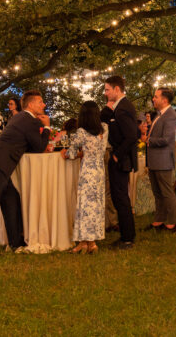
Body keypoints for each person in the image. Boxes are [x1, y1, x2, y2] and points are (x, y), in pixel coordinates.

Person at [0, 90, 51, 257]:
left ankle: (16, 241)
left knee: (11, 199)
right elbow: (39, 147)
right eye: (40, 102)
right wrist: (48, 126)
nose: (44, 105)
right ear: (30, 104)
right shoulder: (30, 120)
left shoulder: (20, 118)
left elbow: (24, 143)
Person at [64, 101, 109, 254]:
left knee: (84, 207)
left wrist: (72, 154)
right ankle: (91, 242)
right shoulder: (105, 128)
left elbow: (70, 153)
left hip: (87, 170)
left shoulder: (82, 132)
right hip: (99, 170)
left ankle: (85, 242)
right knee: (96, 206)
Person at [104, 76, 139, 247]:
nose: (106, 93)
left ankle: (127, 238)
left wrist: (117, 155)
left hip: (121, 160)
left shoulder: (123, 109)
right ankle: (127, 235)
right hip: (120, 158)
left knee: (121, 199)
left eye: (107, 89)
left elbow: (132, 136)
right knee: (120, 198)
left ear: (117, 89)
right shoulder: (120, 107)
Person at [145, 86, 176, 232]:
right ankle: (159, 220)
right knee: (157, 193)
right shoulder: (159, 114)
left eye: (156, 96)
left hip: (163, 160)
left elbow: (166, 139)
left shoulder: (170, 115)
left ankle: (171, 223)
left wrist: (148, 140)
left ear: (164, 100)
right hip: (155, 160)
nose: (153, 98)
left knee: (166, 192)